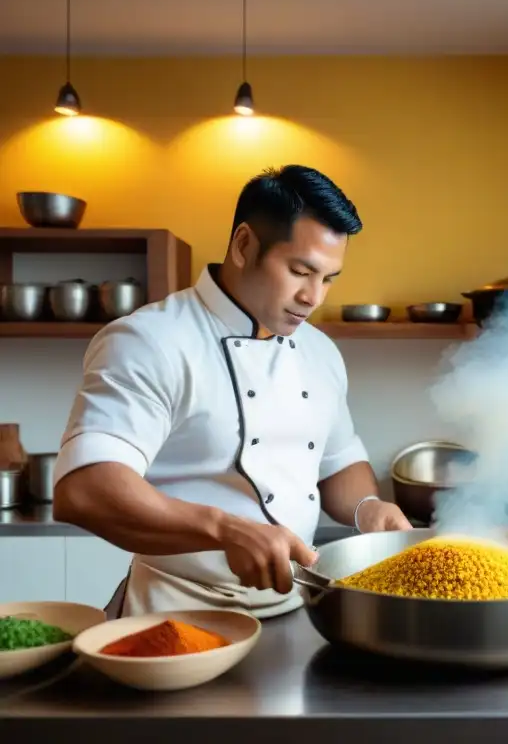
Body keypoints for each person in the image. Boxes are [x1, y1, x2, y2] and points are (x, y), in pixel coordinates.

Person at [52, 165, 412, 618]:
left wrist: (368, 507)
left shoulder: (320, 352)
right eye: (300, 271)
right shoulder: (151, 339)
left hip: (295, 604)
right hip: (175, 609)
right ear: (243, 245)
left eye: (329, 278)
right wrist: (225, 530)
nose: (313, 297)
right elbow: (84, 490)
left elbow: (340, 462)